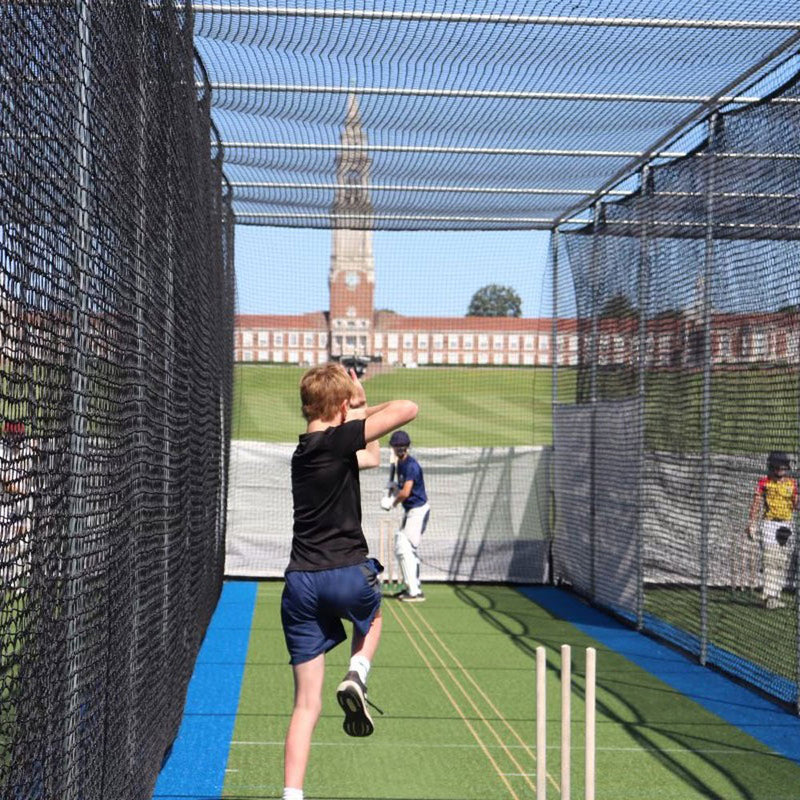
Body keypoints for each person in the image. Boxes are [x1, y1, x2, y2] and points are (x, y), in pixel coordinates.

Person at [280, 362, 418, 800]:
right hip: (346, 574)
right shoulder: (340, 439)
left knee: (305, 705)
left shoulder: (303, 453)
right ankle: (357, 673)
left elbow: (372, 456)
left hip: (300, 583)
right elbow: (408, 407)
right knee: (372, 616)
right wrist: (360, 404)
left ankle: (291, 794)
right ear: (341, 407)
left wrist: (353, 413)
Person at [747, 451, 797, 609]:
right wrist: (752, 523)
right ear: (773, 467)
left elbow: (796, 505)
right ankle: (768, 596)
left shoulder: (791, 483)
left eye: (784, 467)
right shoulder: (764, 482)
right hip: (769, 523)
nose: (781, 469)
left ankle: (775, 594)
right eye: (778, 466)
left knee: (782, 561)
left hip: (786, 525)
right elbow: (756, 503)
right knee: (770, 559)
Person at [383, 429, 430, 602]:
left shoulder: (411, 465)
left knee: (404, 546)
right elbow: (403, 487)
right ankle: (412, 587)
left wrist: (392, 501)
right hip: (412, 511)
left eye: (400, 447)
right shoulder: (401, 464)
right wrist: (394, 486)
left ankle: (414, 592)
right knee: (406, 547)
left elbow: (407, 492)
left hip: (417, 510)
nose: (399, 449)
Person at [0, 420, 33, 587]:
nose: (18, 441)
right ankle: (7, 580)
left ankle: (17, 579)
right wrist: (23, 490)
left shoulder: (25, 449)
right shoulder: (2, 449)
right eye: (15, 437)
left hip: (20, 506)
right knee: (5, 542)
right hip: (4, 505)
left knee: (22, 541)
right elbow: (7, 483)